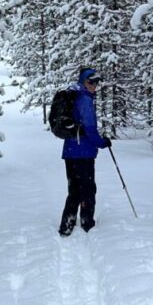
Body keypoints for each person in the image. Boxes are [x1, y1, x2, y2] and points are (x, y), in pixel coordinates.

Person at [59, 67, 111, 236]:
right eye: (91, 82)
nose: (94, 85)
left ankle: (67, 225)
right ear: (83, 81)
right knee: (88, 189)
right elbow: (89, 128)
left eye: (96, 82)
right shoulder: (85, 100)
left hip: (70, 151)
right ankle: (87, 223)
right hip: (83, 153)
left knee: (74, 189)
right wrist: (103, 143)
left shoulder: (74, 96)